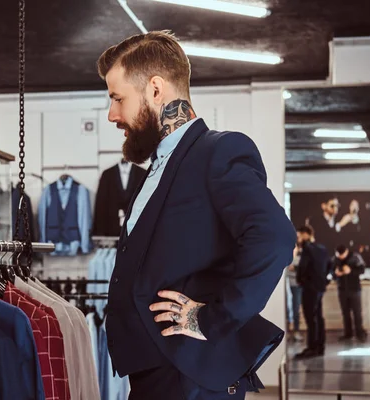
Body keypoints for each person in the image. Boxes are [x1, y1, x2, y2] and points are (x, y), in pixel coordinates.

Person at [97, 31, 297, 400]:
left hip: (188, 378)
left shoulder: (218, 152)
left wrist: (212, 318)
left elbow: (274, 238)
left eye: (117, 98)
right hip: (156, 375)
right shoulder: (156, 167)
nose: (112, 114)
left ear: (155, 90)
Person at [295, 225, 329, 359]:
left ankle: (312, 348)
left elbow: (303, 267)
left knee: (310, 318)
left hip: (309, 288)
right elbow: (329, 266)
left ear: (306, 234)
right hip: (320, 288)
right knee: (319, 317)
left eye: (299, 236)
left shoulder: (307, 249)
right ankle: (320, 346)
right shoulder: (323, 249)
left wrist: (300, 280)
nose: (298, 239)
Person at [333, 244, 367, 342]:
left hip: (355, 289)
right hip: (342, 289)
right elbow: (331, 271)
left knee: (357, 312)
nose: (340, 257)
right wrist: (335, 273)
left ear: (346, 252)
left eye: (341, 255)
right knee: (345, 313)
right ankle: (348, 334)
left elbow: (362, 269)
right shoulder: (335, 258)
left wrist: (350, 271)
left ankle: (360, 333)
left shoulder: (355, 257)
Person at [287, 243, 304, 342]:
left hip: (297, 287)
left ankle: (296, 331)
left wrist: (295, 269)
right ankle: (288, 331)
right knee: (287, 310)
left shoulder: (300, 260)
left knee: (296, 308)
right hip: (287, 287)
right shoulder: (285, 259)